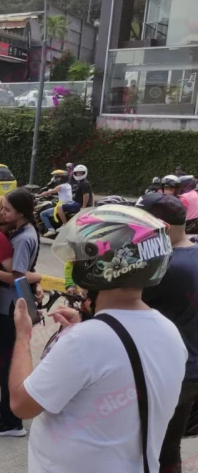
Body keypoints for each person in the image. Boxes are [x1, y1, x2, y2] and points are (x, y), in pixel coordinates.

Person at [8, 204, 186, 472]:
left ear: (97, 267)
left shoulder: (85, 341)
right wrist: (88, 326)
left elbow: (21, 405)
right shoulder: (169, 332)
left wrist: (22, 336)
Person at [136, 194, 198, 472]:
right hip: (189, 368)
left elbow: (127, 306)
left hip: (171, 370)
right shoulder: (193, 253)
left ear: (161, 225)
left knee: (150, 446)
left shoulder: (167, 268)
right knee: (169, 444)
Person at [0, 188, 40, 437]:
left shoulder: (23, 238)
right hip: (8, 305)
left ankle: (12, 422)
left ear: (20, 212)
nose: (3, 212)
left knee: (7, 361)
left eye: (8, 209)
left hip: (12, 307)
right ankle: (6, 405)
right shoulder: (22, 231)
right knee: (5, 358)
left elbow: (17, 277)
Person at [38, 169, 73, 238]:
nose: (56, 179)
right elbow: (61, 192)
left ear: (63, 178)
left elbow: (53, 191)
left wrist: (41, 194)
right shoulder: (68, 185)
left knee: (43, 214)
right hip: (68, 204)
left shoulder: (60, 186)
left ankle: (50, 229)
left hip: (62, 205)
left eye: (58, 177)